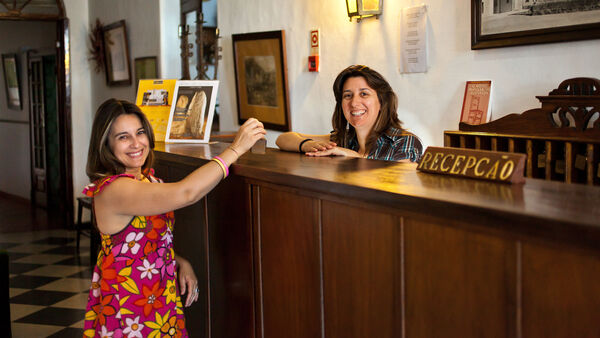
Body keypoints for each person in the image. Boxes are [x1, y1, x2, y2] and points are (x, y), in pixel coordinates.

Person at [82, 99, 265, 337]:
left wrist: (178, 260)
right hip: (129, 303)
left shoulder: (148, 180)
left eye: (140, 133)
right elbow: (187, 193)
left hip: (158, 296)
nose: (136, 143)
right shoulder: (114, 190)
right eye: (123, 137)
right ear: (106, 145)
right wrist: (236, 149)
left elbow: (138, 242)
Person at [276, 65, 422, 162]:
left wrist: (356, 157)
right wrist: (310, 145)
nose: (354, 103)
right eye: (347, 95)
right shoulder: (344, 139)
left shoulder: (405, 142)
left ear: (382, 102)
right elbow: (283, 139)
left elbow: (395, 194)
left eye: (364, 94)